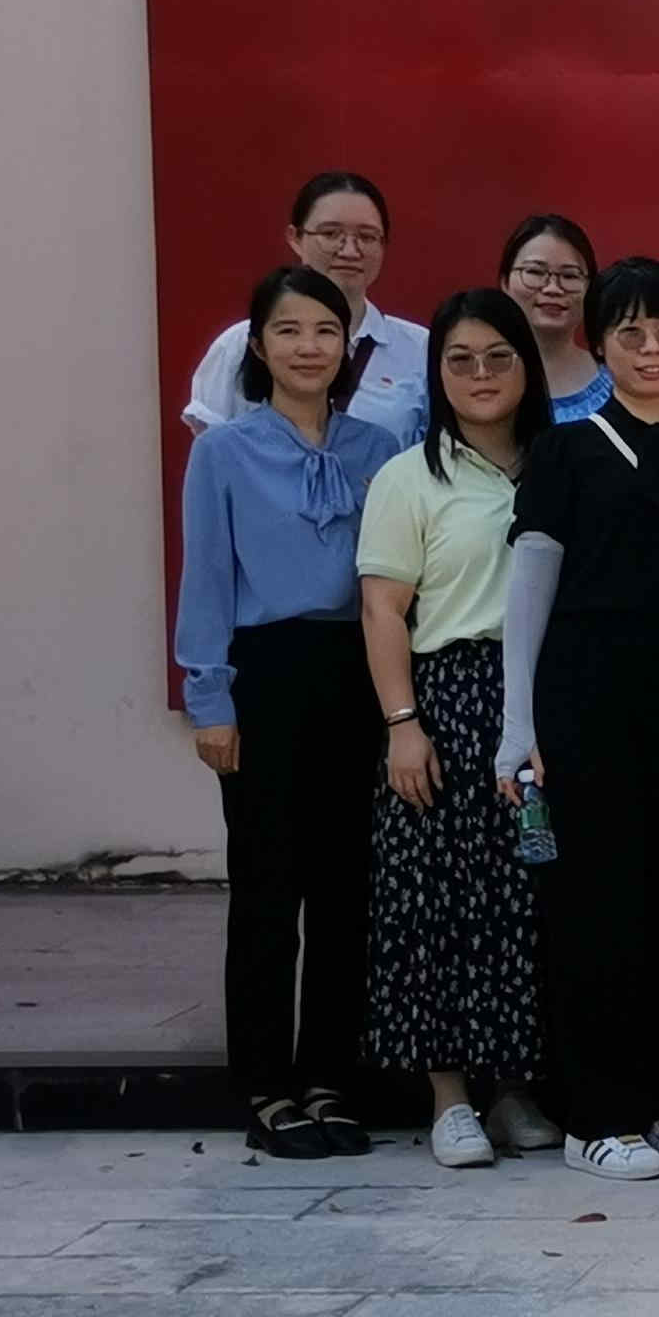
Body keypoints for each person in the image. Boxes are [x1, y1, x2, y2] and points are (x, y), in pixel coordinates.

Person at [497, 258, 659, 1181]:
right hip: (587, 708)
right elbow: (529, 586)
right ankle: (595, 1115)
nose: (651, 350)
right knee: (597, 909)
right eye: (631, 333)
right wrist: (517, 725)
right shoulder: (566, 449)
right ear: (599, 344)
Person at [177, 265, 406, 1158]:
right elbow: (206, 578)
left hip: (358, 674)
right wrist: (209, 697)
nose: (309, 347)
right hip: (265, 676)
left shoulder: (378, 449)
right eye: (289, 330)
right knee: (268, 892)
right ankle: (268, 1085)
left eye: (325, 331)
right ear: (258, 346)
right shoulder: (224, 453)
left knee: (350, 893)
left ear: (347, 346)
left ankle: (331, 1079)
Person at [355, 287, 559, 1170]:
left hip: (545, 700)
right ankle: (449, 1099)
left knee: (527, 901)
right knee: (438, 900)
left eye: (499, 357)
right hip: (448, 698)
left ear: (527, 366)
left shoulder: (560, 462)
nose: (481, 375)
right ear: (436, 374)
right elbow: (382, 608)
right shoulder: (410, 476)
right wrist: (403, 724)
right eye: (460, 360)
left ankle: (515, 1089)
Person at [181, 171, 428, 438]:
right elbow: (214, 454)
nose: (349, 251)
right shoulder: (240, 344)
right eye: (331, 234)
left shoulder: (421, 349)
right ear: (295, 238)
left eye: (367, 237)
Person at [503, 214, 614, 423]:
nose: (552, 289)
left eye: (570, 276)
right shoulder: (477, 375)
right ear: (505, 282)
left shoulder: (618, 381)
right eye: (535, 272)